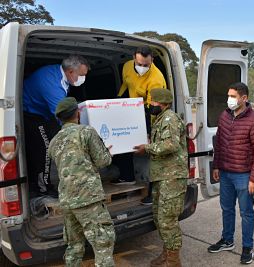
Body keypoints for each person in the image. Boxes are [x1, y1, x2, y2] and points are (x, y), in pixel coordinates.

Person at [48, 97, 115, 267]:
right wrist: (107, 153)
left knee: (74, 246)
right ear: (77, 113)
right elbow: (102, 161)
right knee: (103, 243)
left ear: (60, 118)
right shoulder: (86, 132)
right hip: (88, 198)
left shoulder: (54, 141)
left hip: (67, 200)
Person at [207, 82, 254, 265]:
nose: (229, 99)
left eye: (233, 96)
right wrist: (216, 166)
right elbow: (219, 144)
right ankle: (227, 240)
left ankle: (247, 247)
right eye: (229, 95)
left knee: (246, 212)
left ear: (244, 98)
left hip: (244, 175)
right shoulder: (225, 116)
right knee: (226, 209)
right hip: (225, 172)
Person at [134, 88, 187, 267]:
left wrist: (147, 148)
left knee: (167, 220)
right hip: (162, 176)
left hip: (172, 177)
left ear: (163, 103)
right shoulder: (160, 118)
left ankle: (174, 261)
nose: (151, 105)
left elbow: (171, 145)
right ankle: (166, 254)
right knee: (159, 218)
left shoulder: (169, 118)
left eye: (154, 102)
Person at [23, 55, 90, 197]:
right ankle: (43, 187)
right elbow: (63, 117)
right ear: (71, 71)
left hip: (43, 111)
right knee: (45, 147)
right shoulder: (52, 84)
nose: (84, 79)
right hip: (30, 113)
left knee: (47, 143)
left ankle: (36, 181)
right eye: (82, 75)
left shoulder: (61, 75)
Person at [112, 46, 166, 206]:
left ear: (152, 61)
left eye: (146, 65)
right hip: (129, 106)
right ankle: (127, 176)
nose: (142, 68)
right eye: (139, 64)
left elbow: (154, 108)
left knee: (151, 151)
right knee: (121, 137)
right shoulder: (128, 66)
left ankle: (153, 192)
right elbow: (125, 85)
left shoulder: (156, 78)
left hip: (148, 110)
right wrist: (118, 103)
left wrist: (148, 133)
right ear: (134, 58)